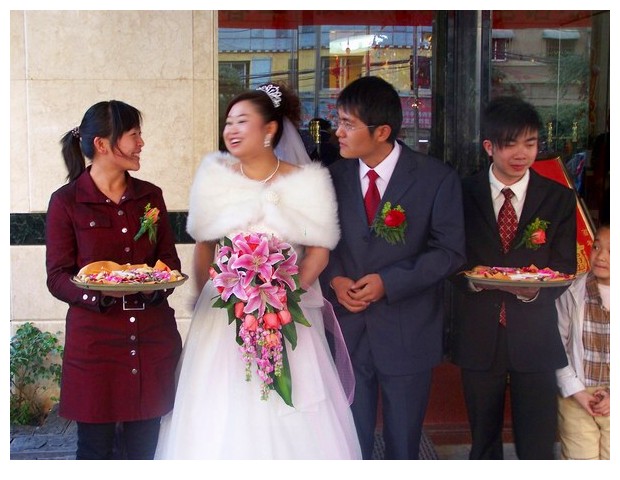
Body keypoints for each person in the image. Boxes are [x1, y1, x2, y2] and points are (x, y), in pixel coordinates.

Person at [154, 83, 362, 459]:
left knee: (293, 408)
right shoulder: (214, 175)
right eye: (228, 122)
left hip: (286, 310)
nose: (231, 130)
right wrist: (215, 299)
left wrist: (285, 293)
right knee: (219, 407)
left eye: (242, 121)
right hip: (225, 314)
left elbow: (319, 250)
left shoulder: (308, 179)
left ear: (269, 129)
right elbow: (205, 248)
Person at [321, 76, 466, 460]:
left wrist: (389, 282)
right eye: (340, 121)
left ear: (382, 131)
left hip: (408, 327)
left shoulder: (436, 178)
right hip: (348, 326)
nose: (339, 132)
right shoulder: (330, 178)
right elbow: (319, 241)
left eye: (349, 124)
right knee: (351, 438)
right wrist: (334, 279)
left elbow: (450, 252)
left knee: (404, 441)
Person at [45, 100, 183, 459]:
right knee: (94, 448)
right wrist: (99, 295)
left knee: (145, 447)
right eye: (133, 135)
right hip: (95, 344)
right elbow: (57, 276)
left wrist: (157, 285)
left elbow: (168, 262)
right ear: (102, 145)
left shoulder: (150, 196)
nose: (141, 143)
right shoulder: (67, 202)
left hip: (152, 337)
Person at [450, 96, 577, 459]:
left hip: (535, 334)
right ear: (490, 146)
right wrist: (473, 280)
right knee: (483, 440)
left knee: (538, 441)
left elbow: (565, 266)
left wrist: (529, 290)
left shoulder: (559, 199)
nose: (521, 153)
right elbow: (449, 258)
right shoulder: (461, 193)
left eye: (530, 143)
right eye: (510, 144)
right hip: (478, 333)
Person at [555, 224, 610, 460]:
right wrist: (576, 391)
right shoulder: (572, 290)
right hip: (577, 395)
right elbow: (556, 345)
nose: (601, 256)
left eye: (612, 250)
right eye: (597, 246)